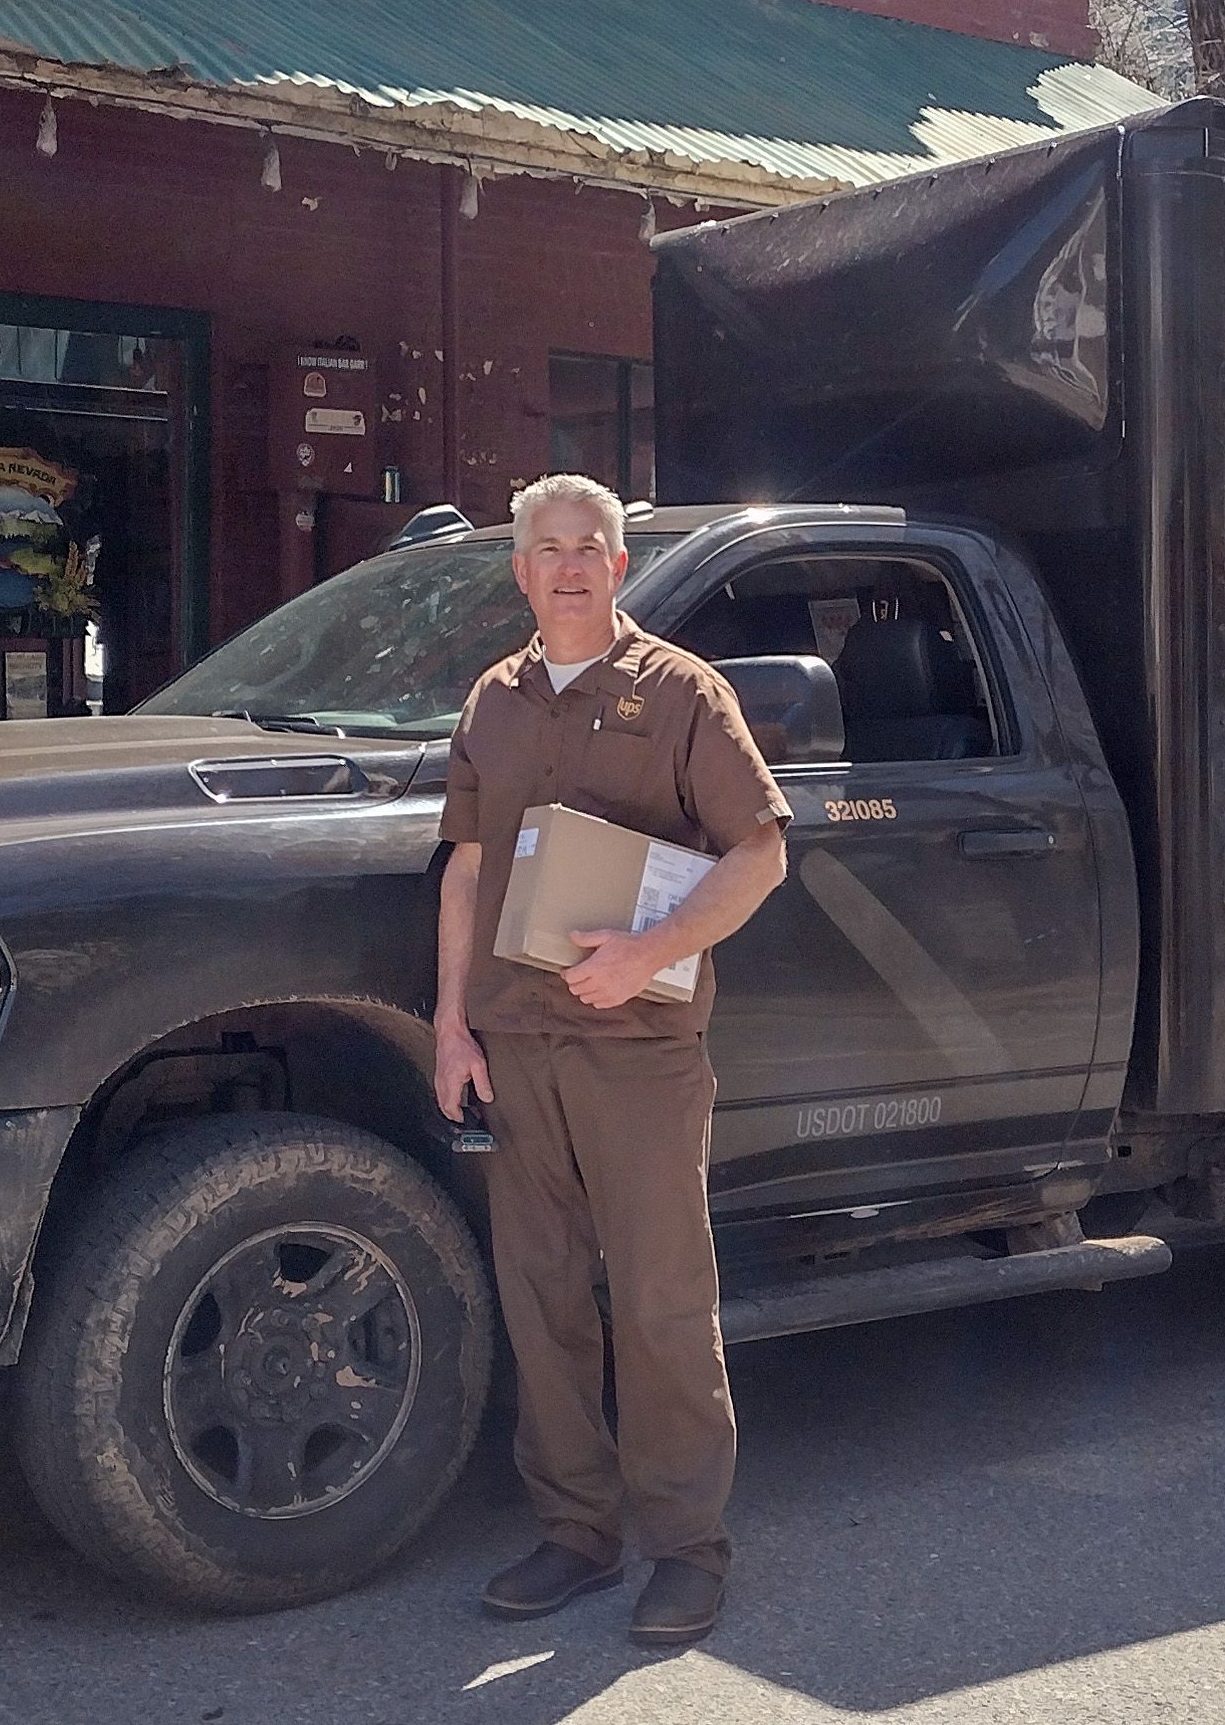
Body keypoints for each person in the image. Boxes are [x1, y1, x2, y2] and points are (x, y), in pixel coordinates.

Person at [432, 473, 791, 1647]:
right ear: (521, 571)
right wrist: (450, 1022)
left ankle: (688, 1548)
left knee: (658, 1301)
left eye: (592, 547)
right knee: (542, 1301)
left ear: (619, 568)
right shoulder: (492, 699)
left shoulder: (684, 692)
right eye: (549, 548)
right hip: (517, 1042)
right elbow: (469, 871)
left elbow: (759, 854)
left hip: (637, 1047)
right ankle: (576, 1533)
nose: (571, 564)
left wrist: (652, 953)